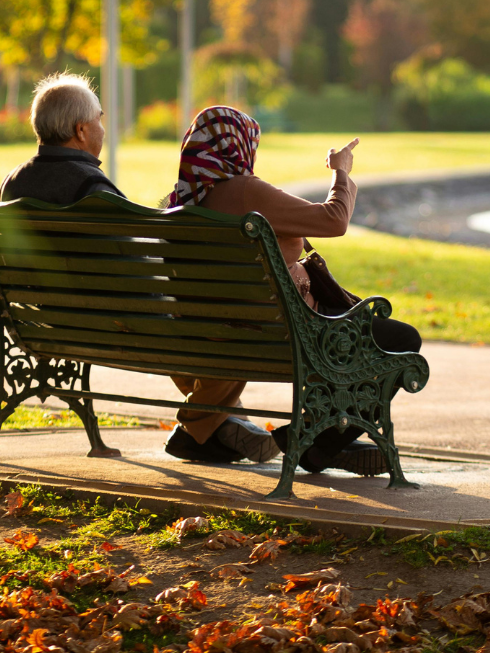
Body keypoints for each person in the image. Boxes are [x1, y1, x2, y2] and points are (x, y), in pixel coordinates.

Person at [161, 106, 422, 477]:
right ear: (238, 147)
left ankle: (325, 437)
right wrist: (341, 171)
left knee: (372, 334)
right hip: (288, 335)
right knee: (401, 340)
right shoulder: (243, 192)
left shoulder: (180, 205)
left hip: (219, 337)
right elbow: (334, 220)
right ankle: (319, 442)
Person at [0, 72, 122, 204]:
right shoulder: (94, 188)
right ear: (80, 130)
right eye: (99, 119)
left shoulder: (11, 183)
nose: (103, 130)